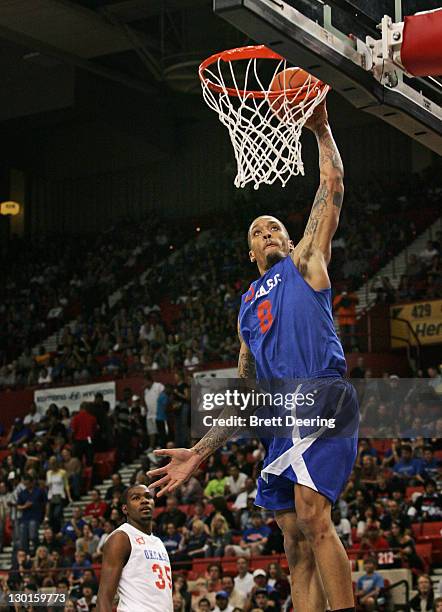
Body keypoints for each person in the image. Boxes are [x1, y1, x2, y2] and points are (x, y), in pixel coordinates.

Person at [147, 101, 358, 612]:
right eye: (257, 232)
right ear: (249, 252)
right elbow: (247, 394)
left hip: (321, 394)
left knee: (312, 514)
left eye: (273, 229)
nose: (266, 234)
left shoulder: (306, 262)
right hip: (280, 414)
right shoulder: (245, 312)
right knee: (292, 536)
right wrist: (199, 452)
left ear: (289, 240)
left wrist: (323, 131)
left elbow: (331, 189)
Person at [96, 484, 172, 611]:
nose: (144, 500)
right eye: (136, 498)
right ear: (125, 509)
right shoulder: (121, 538)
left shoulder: (158, 542)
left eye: (148, 497)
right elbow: (104, 598)